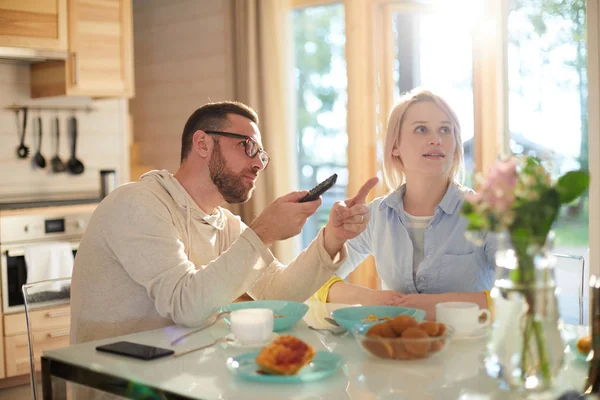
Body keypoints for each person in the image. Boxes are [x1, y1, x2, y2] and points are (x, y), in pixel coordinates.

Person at [70, 101, 378, 344]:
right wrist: (264, 231)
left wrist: (331, 239)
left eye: (262, 155)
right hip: (117, 384)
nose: (258, 163)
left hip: (184, 375)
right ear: (202, 144)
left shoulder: (226, 224)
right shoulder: (137, 204)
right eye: (247, 146)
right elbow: (186, 306)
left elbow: (278, 294)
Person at [314, 88, 496, 319]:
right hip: (395, 351)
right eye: (421, 129)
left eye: (445, 130)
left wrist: (429, 305)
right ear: (395, 146)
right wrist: (369, 298)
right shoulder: (376, 216)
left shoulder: (486, 214)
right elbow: (317, 281)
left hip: (469, 351)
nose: (436, 139)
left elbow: (518, 295)